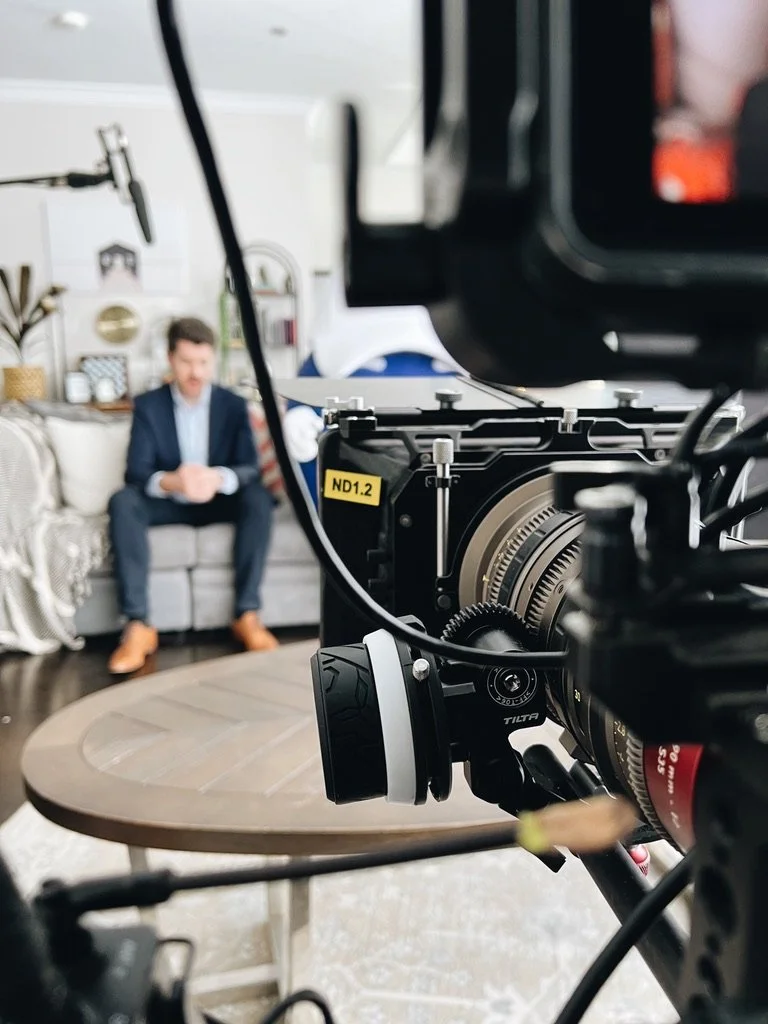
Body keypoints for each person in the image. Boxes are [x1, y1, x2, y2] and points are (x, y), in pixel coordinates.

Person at [107, 316, 278, 674]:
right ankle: (138, 626)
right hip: (169, 502)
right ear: (171, 359)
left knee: (258, 498)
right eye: (186, 362)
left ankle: (247, 615)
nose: (195, 372)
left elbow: (249, 467)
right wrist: (174, 481)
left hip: (218, 499)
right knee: (123, 501)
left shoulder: (233, 404)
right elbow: (135, 473)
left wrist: (216, 478)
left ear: (212, 360)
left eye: (203, 362)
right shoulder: (149, 405)